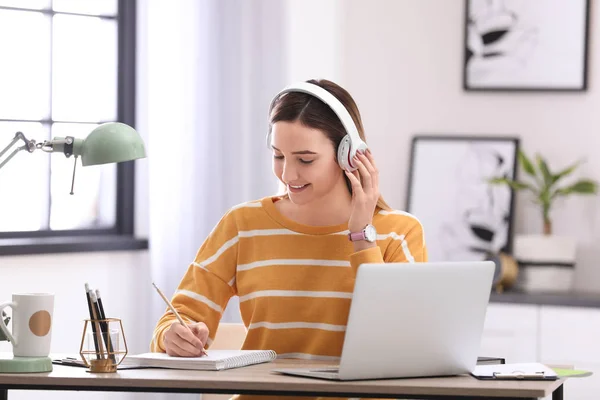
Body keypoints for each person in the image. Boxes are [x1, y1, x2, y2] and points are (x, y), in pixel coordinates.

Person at [150, 78, 427, 399]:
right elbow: (179, 315)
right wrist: (173, 336)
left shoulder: (399, 232)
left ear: (349, 155)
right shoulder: (243, 224)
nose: (288, 175)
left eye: (305, 159)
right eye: (279, 156)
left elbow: (400, 342)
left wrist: (362, 234)